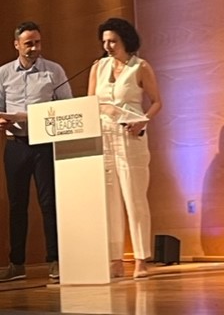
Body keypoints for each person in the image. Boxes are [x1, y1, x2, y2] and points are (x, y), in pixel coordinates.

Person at [88, 17, 162, 279]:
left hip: (130, 136)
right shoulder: (98, 67)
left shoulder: (140, 67)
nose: (108, 46)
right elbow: (89, 104)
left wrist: (143, 121)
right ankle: (115, 259)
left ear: (125, 41)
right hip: (104, 137)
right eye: (105, 41)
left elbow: (156, 102)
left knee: (134, 198)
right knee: (109, 201)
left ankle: (141, 259)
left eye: (113, 41)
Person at [0, 21, 72, 282]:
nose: (34, 48)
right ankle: (17, 264)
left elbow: (67, 107)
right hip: (16, 145)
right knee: (17, 205)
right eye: (28, 43)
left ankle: (55, 260)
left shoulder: (54, 71)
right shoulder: (3, 73)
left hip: (45, 145)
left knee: (49, 203)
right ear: (16, 45)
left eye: (37, 42)